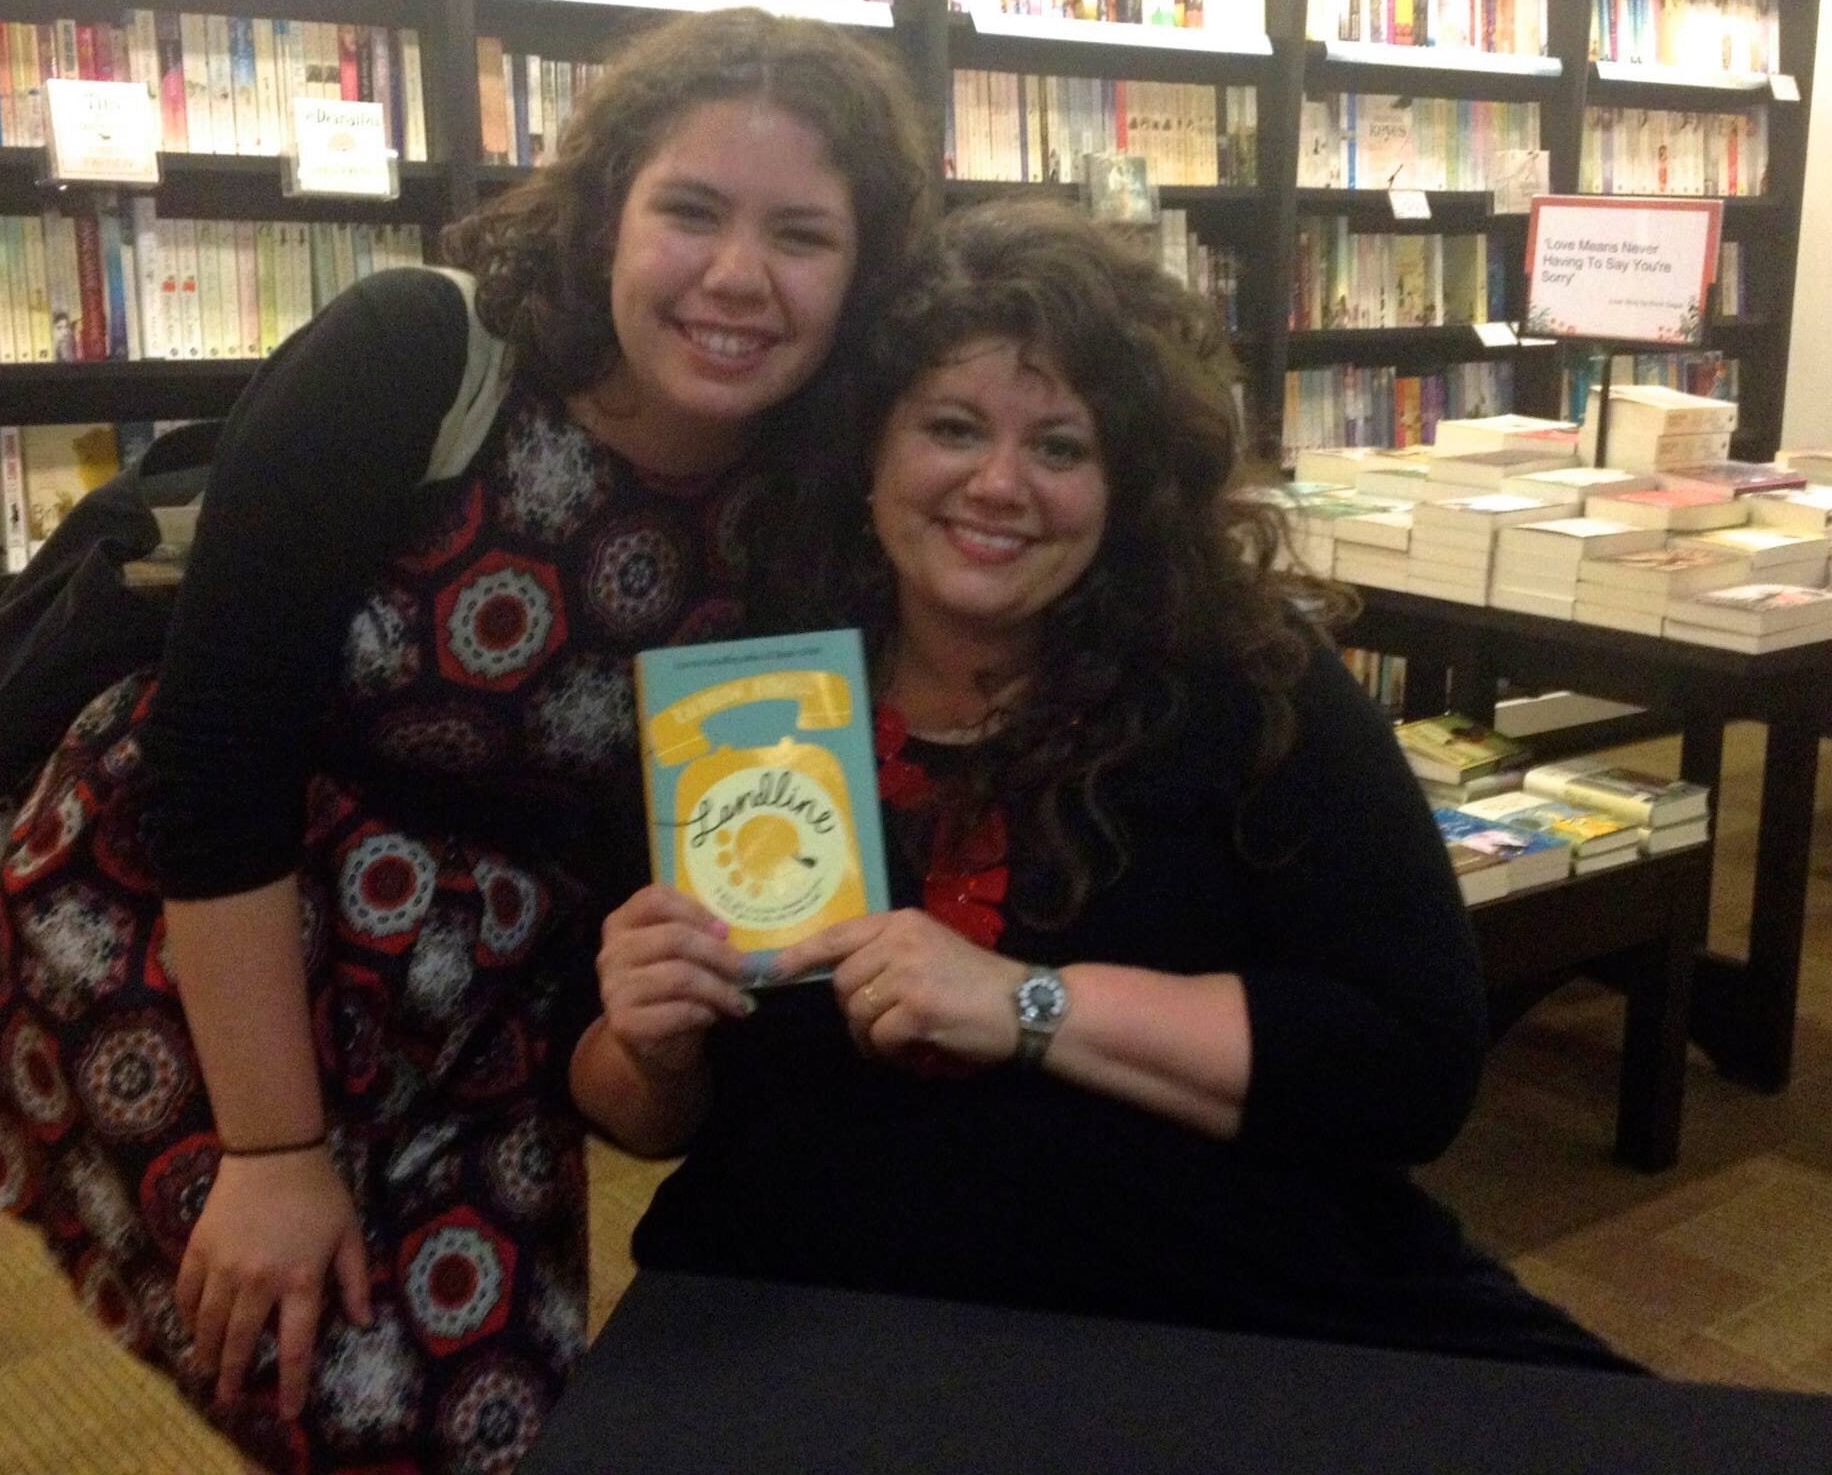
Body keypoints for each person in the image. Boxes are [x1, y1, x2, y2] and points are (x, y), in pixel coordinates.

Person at [0, 6, 934, 1473]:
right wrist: (275, 1154)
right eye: (691, 211)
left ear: (861, 277)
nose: (738, 277)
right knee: (335, 1377)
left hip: (482, 993)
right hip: (202, 926)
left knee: (506, 1427)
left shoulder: (817, 496)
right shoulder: (419, 351)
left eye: (802, 234)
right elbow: (212, 751)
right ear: (609, 211)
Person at [574, 199, 1636, 1372]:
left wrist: (1028, 1003)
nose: (997, 483)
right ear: (866, 453)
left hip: (1213, 1311)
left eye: (1060, 446)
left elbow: (1408, 1068)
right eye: (951, 427)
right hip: (813, 1312)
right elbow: (637, 1111)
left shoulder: (1250, 692)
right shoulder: (744, 702)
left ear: (1127, 482)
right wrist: (650, 1047)